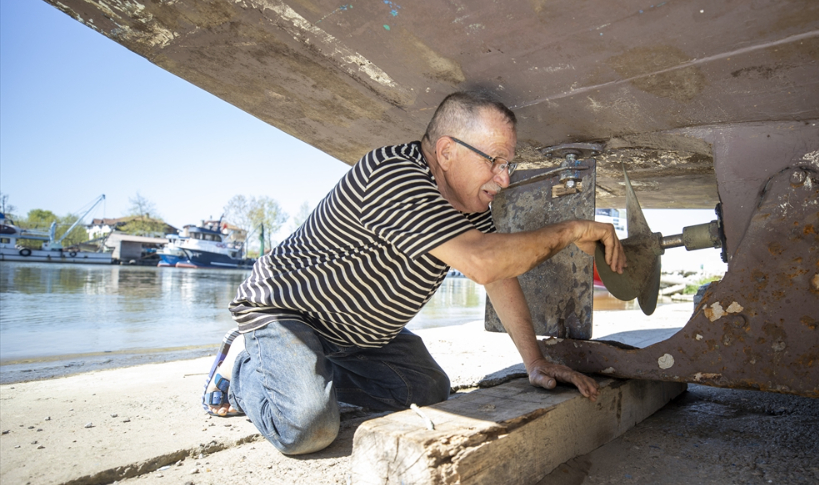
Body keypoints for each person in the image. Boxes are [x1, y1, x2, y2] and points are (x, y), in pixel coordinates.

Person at [202, 92, 626, 455]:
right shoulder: (391, 174)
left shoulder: (468, 205)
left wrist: (534, 361)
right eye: (495, 161)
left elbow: (497, 278)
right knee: (308, 428)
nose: (504, 178)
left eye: (508, 165)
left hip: (359, 337)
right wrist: (571, 229)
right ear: (446, 152)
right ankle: (241, 370)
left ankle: (303, 373)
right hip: (287, 313)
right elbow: (484, 262)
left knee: (426, 393)